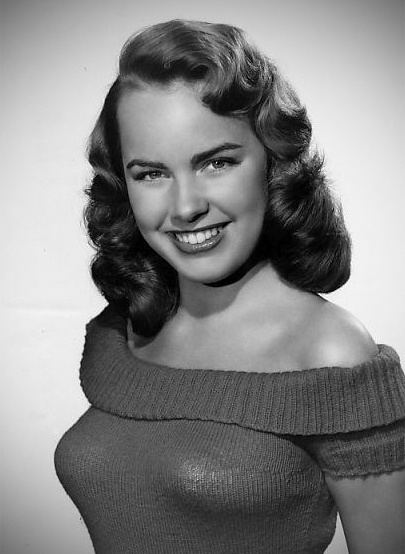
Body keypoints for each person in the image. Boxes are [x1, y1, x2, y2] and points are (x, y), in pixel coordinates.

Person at [54, 19, 405, 554]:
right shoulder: (125, 326)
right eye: (151, 173)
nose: (186, 206)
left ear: (273, 163)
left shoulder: (329, 352)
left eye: (216, 162)